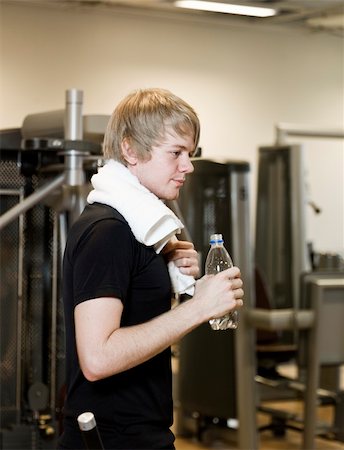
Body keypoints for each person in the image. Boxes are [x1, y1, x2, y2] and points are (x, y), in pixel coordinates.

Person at [58, 88, 244, 450]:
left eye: (189, 154)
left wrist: (163, 272)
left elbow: (134, 325)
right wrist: (199, 307)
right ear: (130, 150)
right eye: (175, 153)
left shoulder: (138, 232)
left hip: (142, 432)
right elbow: (97, 358)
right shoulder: (108, 231)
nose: (187, 166)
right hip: (110, 439)